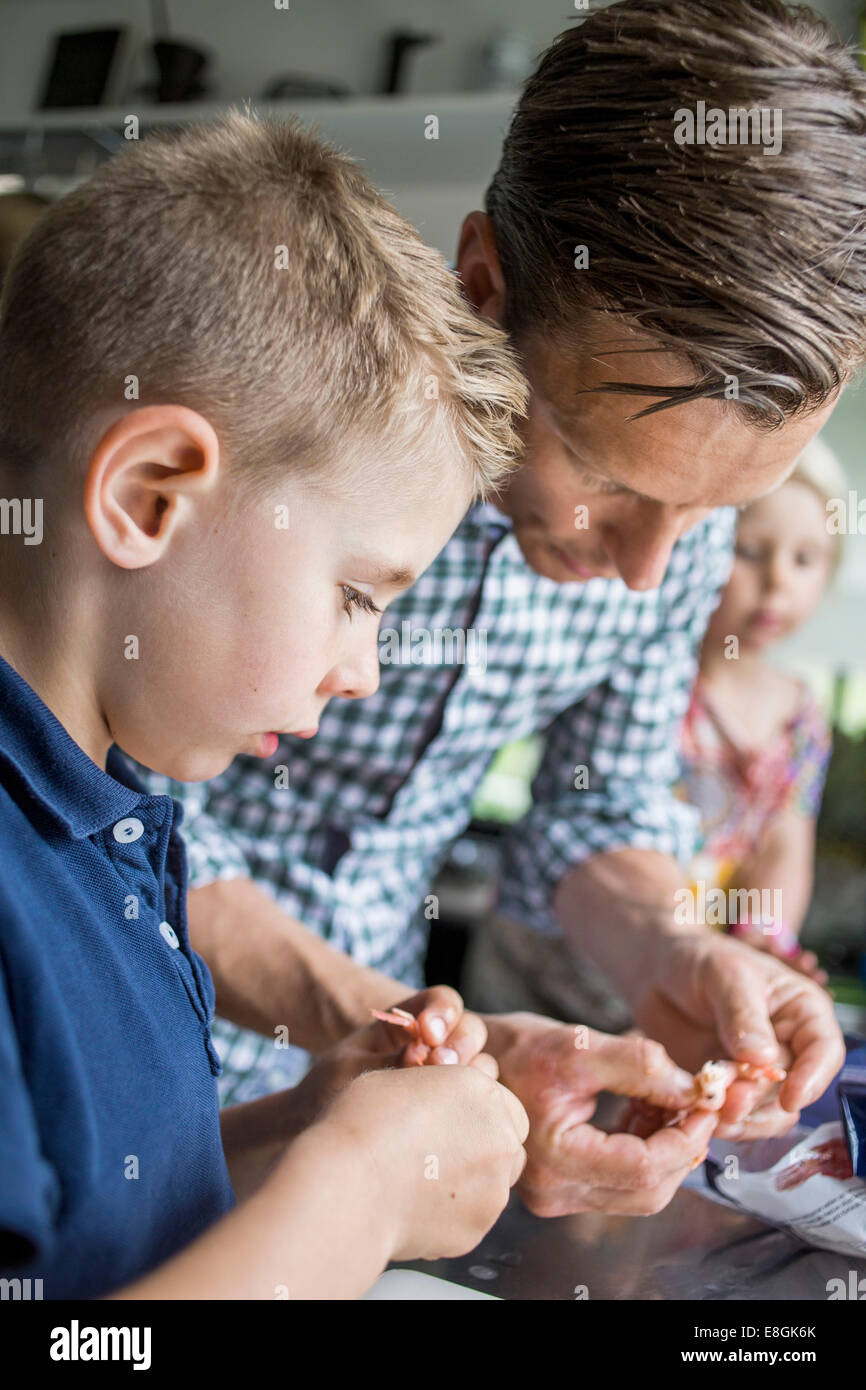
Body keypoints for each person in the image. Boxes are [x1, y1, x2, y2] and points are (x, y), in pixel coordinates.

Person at [141, 0, 860, 1219]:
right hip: (106, 1050)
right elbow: (110, 802)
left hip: (356, 1096)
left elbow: (600, 800)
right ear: (484, 286)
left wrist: (674, 949)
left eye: (714, 515)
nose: (651, 569)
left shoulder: (667, 538)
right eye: (610, 479)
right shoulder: (266, 419)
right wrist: (412, 1037)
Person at [0, 112, 540, 1299]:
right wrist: (355, 1189)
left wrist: (301, 1130)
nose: (367, 671)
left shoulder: (116, 827)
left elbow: (107, 1230)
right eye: (356, 593)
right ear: (149, 496)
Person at [680, 439, 848, 984]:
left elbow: (784, 843)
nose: (779, 582)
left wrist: (764, 935)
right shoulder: (656, 681)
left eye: (805, 560)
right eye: (751, 551)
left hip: (702, 977)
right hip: (579, 967)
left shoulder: (802, 716)